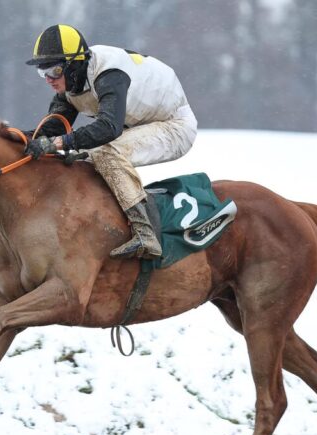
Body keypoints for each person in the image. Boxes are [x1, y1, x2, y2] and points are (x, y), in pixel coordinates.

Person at [24, 24, 197, 260]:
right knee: (82, 154)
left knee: (105, 153)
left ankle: (146, 234)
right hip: (136, 123)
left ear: (74, 64)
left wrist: (59, 143)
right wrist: (10, 136)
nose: (48, 80)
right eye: (42, 73)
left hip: (174, 125)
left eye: (53, 70)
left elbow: (108, 128)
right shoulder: (72, 82)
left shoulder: (109, 75)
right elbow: (50, 130)